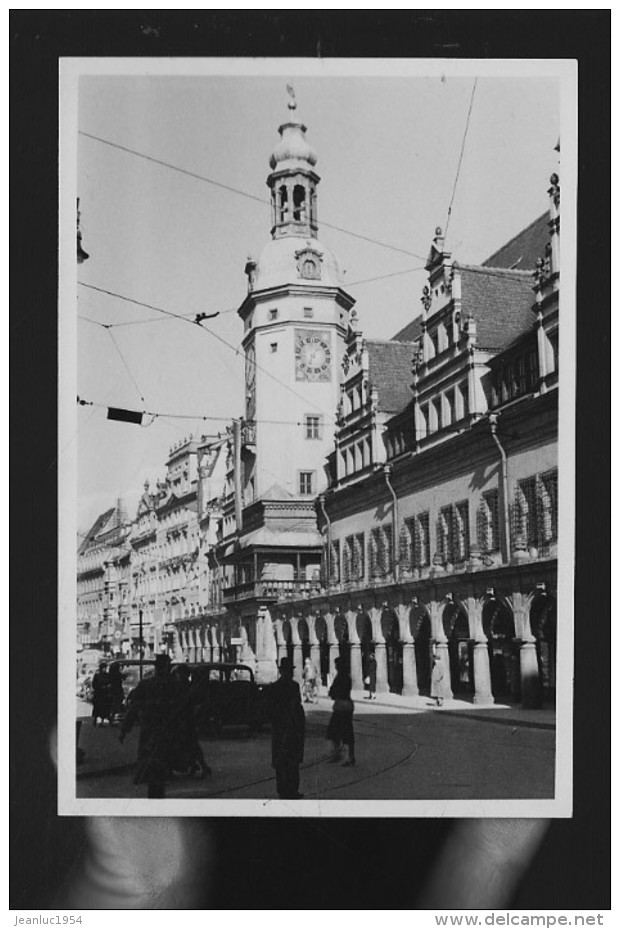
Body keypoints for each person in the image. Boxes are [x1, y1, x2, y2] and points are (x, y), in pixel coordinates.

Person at [119, 653, 180, 798]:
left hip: (151, 728)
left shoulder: (146, 684)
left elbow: (134, 709)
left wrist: (124, 730)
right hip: (164, 729)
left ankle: (150, 779)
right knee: (159, 758)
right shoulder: (173, 685)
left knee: (150, 756)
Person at [267, 656, 305, 799]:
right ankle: (292, 790)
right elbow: (298, 707)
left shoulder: (274, 687)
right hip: (292, 728)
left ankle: (282, 790)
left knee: (281, 760)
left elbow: (270, 709)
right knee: (292, 761)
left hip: (279, 728)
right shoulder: (294, 686)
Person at [170, 664, 212, 779]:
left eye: (179, 674)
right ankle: (194, 765)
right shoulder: (185, 687)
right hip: (183, 719)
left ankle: (203, 767)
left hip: (187, 720)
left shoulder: (188, 688)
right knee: (188, 745)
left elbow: (193, 704)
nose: (177, 676)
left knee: (191, 744)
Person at [326, 656, 356, 766]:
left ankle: (339, 755)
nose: (335, 667)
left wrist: (332, 692)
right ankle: (349, 756)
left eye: (336, 665)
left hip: (341, 706)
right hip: (347, 705)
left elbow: (334, 692)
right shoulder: (346, 677)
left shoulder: (340, 677)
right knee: (347, 731)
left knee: (334, 730)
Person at [91, 661, 111, 726]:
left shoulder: (107, 675)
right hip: (98, 694)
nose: (104, 669)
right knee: (97, 708)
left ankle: (102, 721)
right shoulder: (97, 676)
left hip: (105, 694)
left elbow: (110, 682)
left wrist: (108, 687)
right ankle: (95, 720)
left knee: (104, 708)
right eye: (103, 668)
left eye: (105, 668)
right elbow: (94, 685)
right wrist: (100, 687)